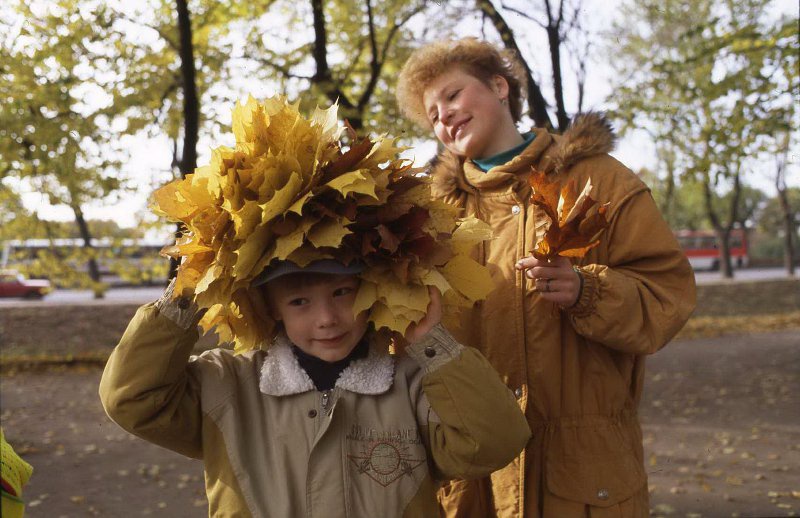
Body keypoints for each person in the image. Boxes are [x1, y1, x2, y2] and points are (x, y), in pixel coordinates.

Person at [396, 37, 696, 517]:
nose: (443, 116)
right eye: (432, 114)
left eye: (452, 96)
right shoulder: (426, 214)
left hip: (584, 478)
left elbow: (667, 296)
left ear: (499, 87)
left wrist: (588, 290)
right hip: (473, 478)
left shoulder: (599, 180)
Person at [99, 257, 532, 517]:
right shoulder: (227, 384)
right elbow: (133, 398)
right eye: (300, 301)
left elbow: (493, 442)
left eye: (343, 292)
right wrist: (184, 300)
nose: (326, 318)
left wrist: (431, 344)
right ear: (271, 307)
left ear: (373, 293)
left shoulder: (414, 383)